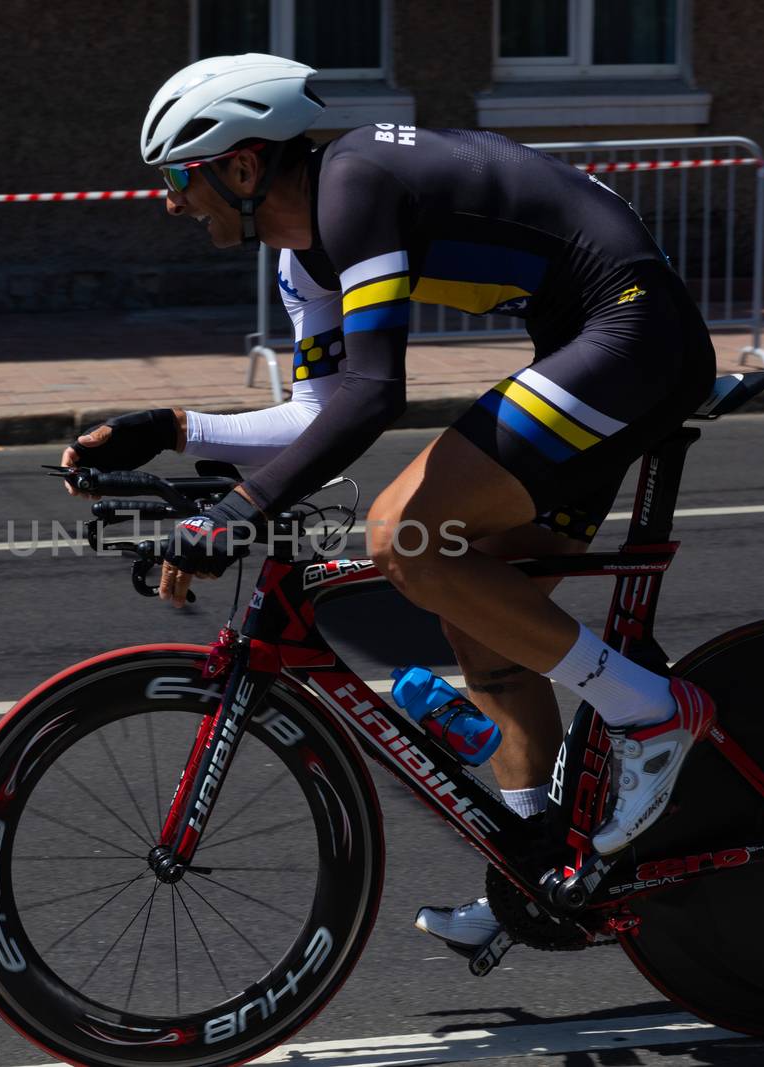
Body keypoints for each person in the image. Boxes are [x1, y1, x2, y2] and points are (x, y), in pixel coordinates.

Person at [61, 53, 719, 953]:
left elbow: (377, 394)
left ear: (244, 167)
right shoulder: (305, 263)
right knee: (482, 617)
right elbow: (315, 414)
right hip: (587, 341)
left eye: (181, 176)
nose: (172, 200)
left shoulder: (354, 184)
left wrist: (233, 514)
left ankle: (652, 712)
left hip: (634, 326)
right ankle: (538, 871)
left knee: (406, 535)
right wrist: (173, 427)